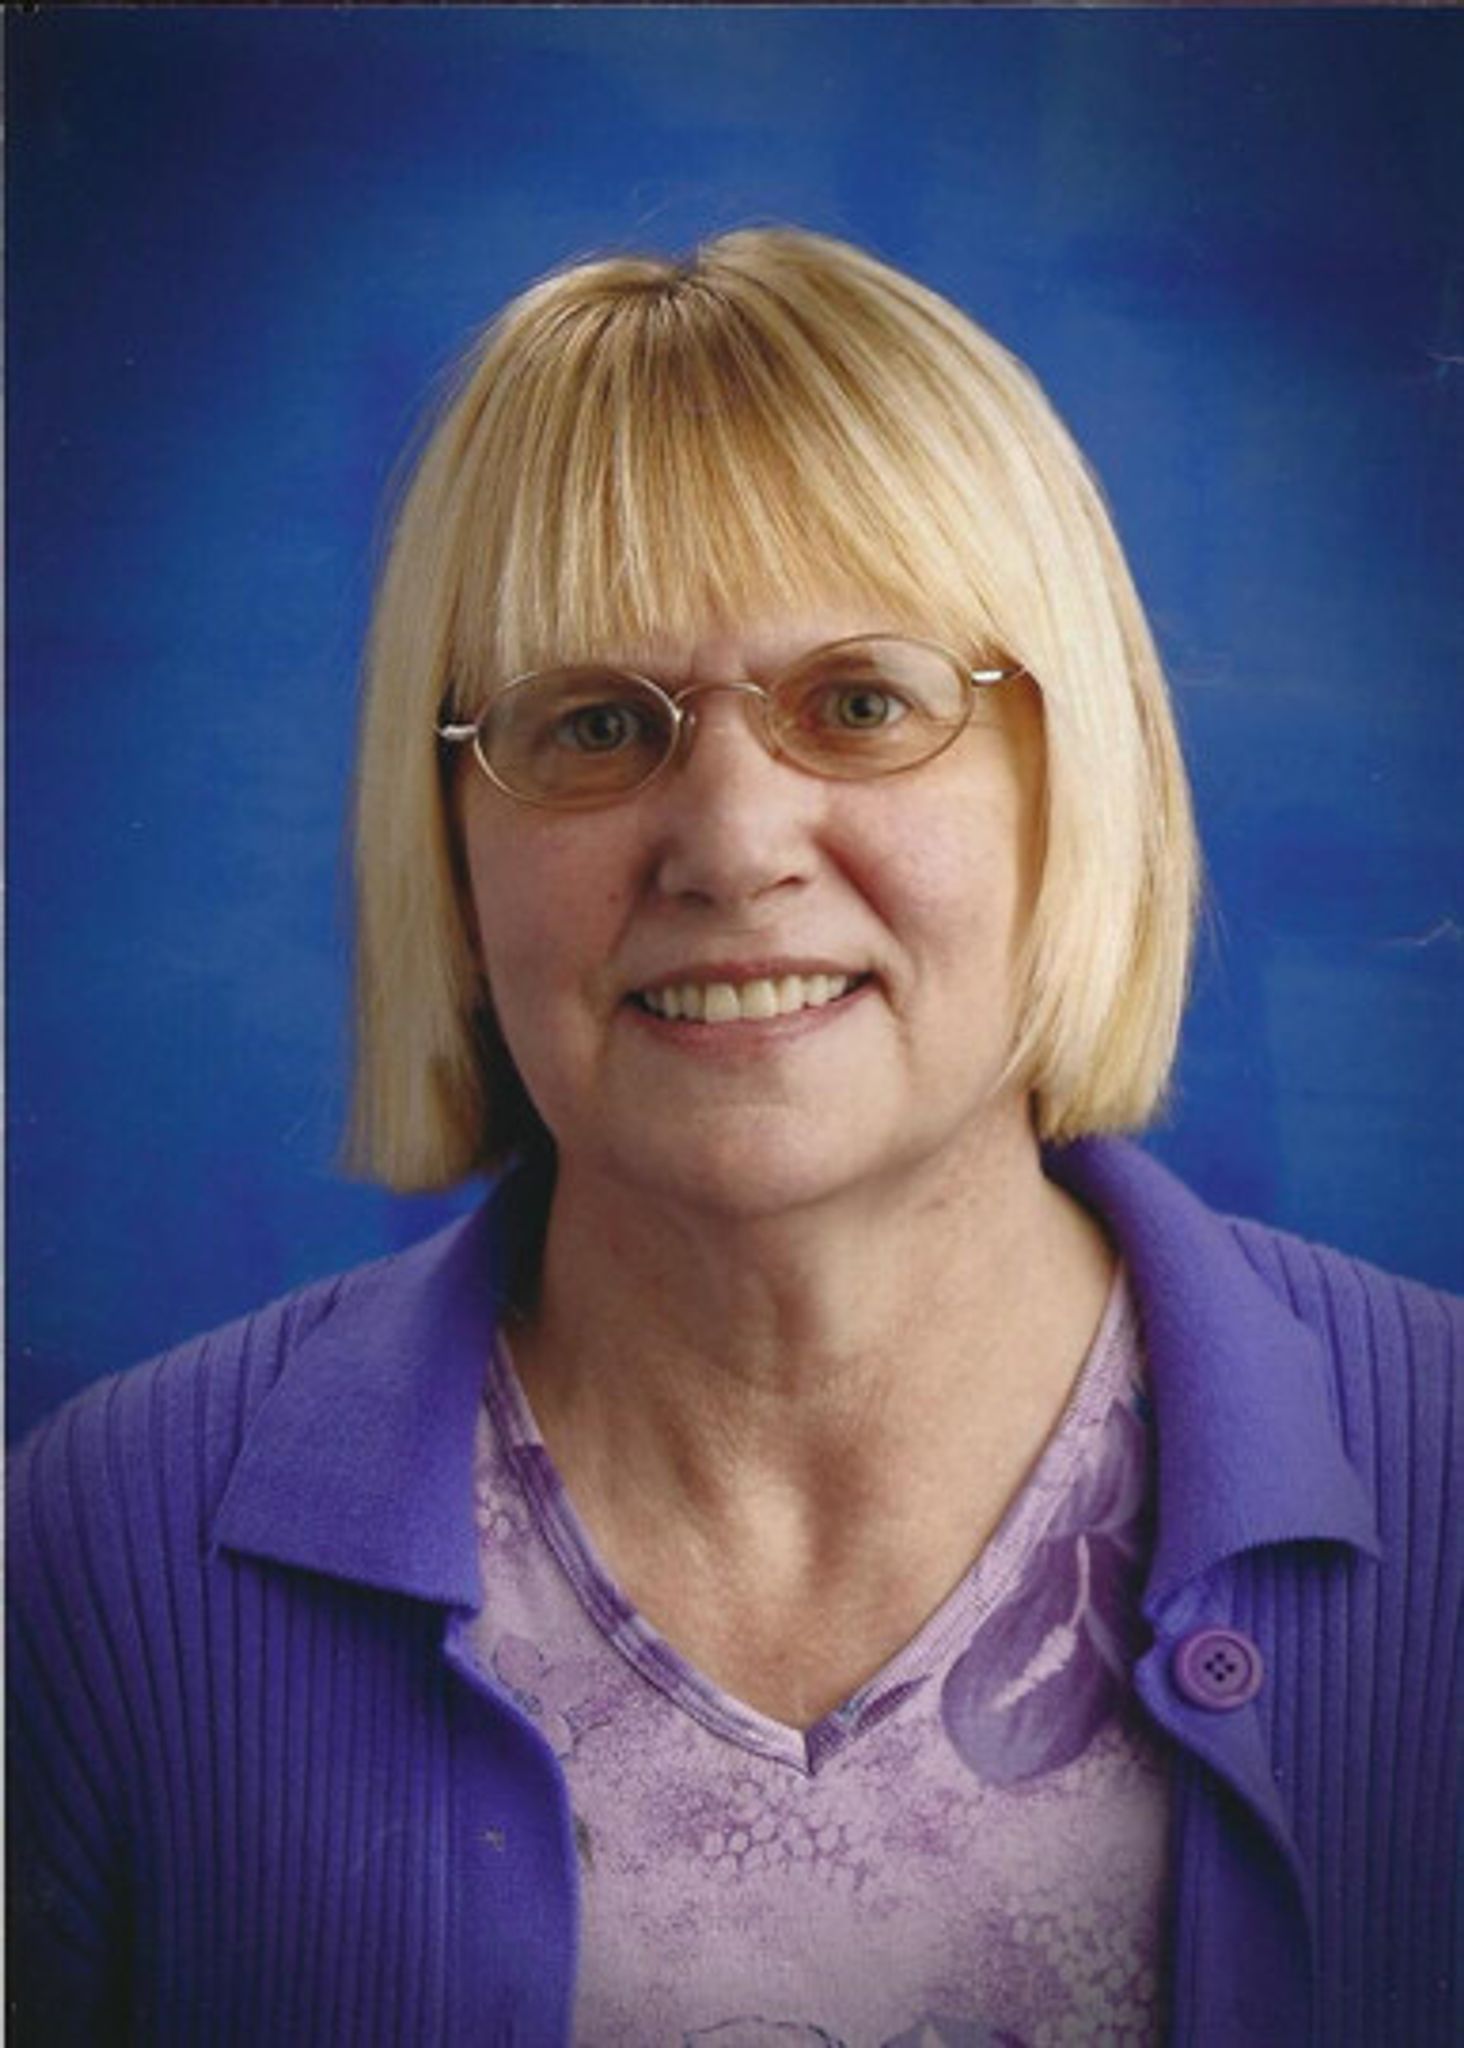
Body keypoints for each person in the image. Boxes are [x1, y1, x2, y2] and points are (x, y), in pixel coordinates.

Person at [7, 229, 1458, 2048]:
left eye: (861, 703)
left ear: (1075, 783)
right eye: (595, 725)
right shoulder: (96, 1557)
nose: (731, 843)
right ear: (448, 848)